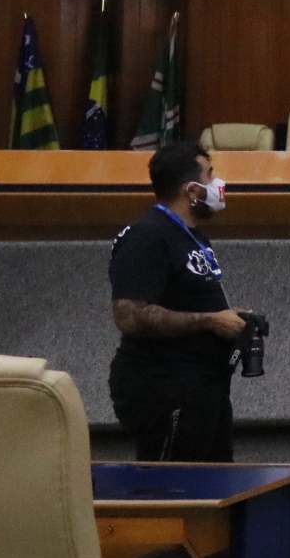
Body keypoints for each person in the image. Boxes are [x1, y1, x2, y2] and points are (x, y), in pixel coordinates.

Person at [108, 142, 253, 462]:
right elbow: (130, 316)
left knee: (214, 482)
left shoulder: (191, 236)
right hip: (165, 385)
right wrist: (210, 320)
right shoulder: (147, 236)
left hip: (204, 386)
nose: (218, 184)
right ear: (192, 190)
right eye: (210, 175)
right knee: (172, 483)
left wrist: (227, 316)